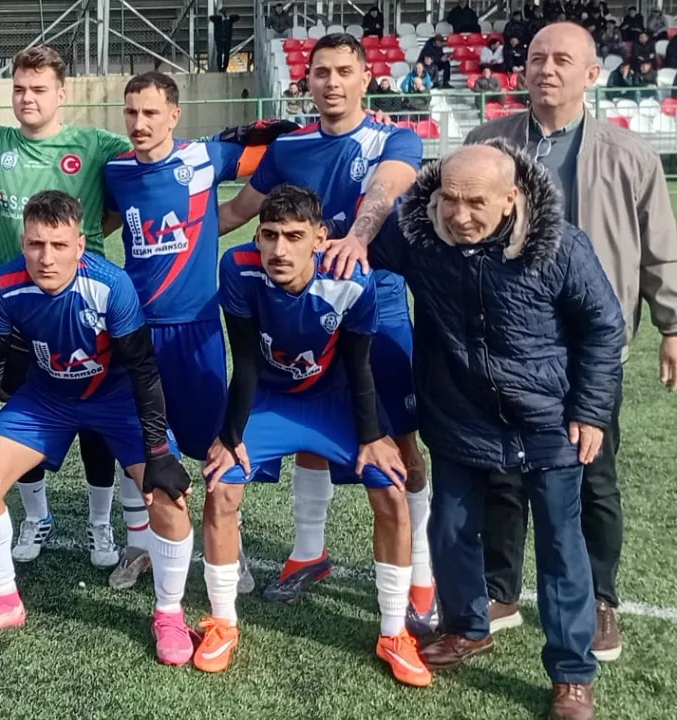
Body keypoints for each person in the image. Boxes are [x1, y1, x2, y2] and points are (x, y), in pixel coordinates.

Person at [375, 140, 625, 720]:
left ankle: (571, 674)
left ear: (511, 198)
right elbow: (359, 246)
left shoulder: (561, 245)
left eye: (476, 203)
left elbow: (603, 327)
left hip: (548, 420)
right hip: (458, 413)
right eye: (449, 199)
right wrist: (349, 238)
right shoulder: (418, 237)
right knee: (450, 528)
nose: (460, 216)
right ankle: (467, 626)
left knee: (560, 544)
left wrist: (590, 411)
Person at [466, 21, 677, 665]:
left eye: (562, 59)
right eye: (537, 58)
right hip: (506, 344)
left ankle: (600, 599)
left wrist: (672, 325)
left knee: (593, 477)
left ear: (591, 74)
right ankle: (500, 590)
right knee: (502, 470)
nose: (547, 69)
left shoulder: (629, 154)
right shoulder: (487, 143)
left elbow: (660, 250)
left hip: (589, 351)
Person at [218, 33, 434, 633]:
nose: (332, 83)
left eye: (343, 71)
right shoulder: (289, 146)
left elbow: (386, 190)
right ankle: (309, 552)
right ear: (306, 80)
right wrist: (164, 238)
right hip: (300, 303)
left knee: (401, 441)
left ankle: (423, 574)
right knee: (311, 419)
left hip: (373, 301)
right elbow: (237, 212)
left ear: (365, 78)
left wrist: (357, 238)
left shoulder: (393, 138)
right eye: (320, 72)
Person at [105, 72, 299, 671]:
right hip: (136, 329)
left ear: (174, 114)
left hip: (195, 329)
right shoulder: (115, 171)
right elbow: (101, 222)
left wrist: (222, 217)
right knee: (141, 441)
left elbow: (277, 153)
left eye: (151, 113)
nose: (139, 123)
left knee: (213, 441)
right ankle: (141, 543)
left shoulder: (205, 157)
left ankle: (227, 550)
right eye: (131, 112)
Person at [0, 190, 195, 662]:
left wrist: (158, 453)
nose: (47, 258)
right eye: (36, 244)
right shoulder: (3, 285)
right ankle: (4, 599)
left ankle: (169, 613)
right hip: (47, 398)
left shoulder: (111, 285)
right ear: (23, 243)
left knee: (168, 497)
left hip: (116, 398)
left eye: (59, 245)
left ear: (80, 245)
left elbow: (143, 371)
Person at [206, 184, 429, 686]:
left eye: (293, 236)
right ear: (256, 237)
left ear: (320, 238)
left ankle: (393, 632)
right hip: (270, 397)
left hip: (334, 398)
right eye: (269, 235)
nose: (279, 249)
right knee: (221, 486)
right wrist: (231, 434)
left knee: (391, 490)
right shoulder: (237, 267)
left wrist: (372, 436)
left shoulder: (352, 279)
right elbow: (244, 362)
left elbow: (359, 363)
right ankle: (222, 621)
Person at [0, 46, 132, 570]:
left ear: (61, 94)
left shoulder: (96, 144)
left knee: (95, 419)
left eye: (39, 89)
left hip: (86, 308)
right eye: (19, 88)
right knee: (22, 410)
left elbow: (151, 158)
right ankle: (36, 515)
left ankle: (100, 522)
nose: (28, 98)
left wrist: (98, 230)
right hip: (17, 308)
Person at [210, 7, 240, 72]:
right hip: (219, 39)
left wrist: (229, 17)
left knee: (226, 53)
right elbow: (211, 18)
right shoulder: (218, 20)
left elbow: (237, 17)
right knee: (220, 53)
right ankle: (220, 67)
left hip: (227, 39)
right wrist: (220, 18)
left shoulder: (229, 20)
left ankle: (224, 67)